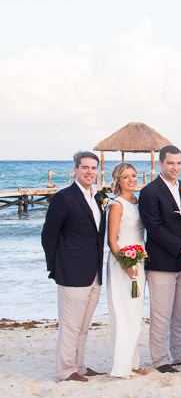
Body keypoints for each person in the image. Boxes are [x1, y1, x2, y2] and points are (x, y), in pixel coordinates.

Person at [41, 151, 108, 382]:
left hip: (94, 272)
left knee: (84, 325)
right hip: (71, 271)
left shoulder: (98, 198)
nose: (89, 172)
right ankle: (65, 370)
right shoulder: (64, 197)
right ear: (75, 170)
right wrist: (56, 266)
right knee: (70, 325)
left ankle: (79, 366)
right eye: (85, 168)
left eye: (93, 168)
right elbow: (48, 235)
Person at [138, 144, 181, 373]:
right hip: (161, 261)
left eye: (179, 163)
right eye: (171, 163)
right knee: (161, 315)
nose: (175, 167)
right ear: (160, 163)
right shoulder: (150, 191)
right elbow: (154, 227)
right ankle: (160, 360)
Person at [105, 162, 149, 377]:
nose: (131, 180)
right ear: (118, 181)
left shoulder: (138, 202)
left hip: (138, 261)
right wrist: (125, 263)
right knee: (123, 312)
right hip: (122, 262)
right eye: (126, 177)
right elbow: (112, 240)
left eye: (133, 175)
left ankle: (133, 361)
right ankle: (122, 365)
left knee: (135, 312)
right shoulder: (117, 204)